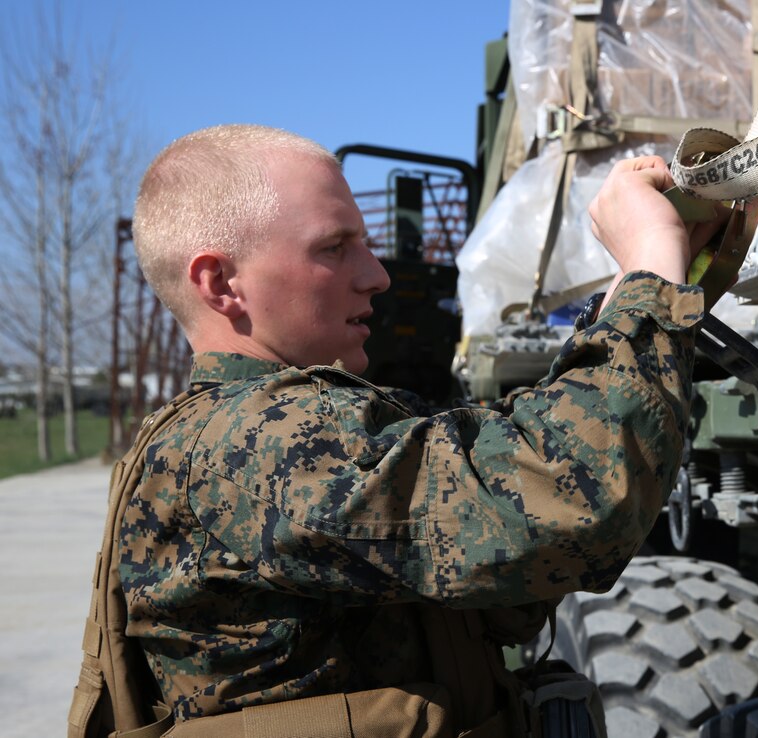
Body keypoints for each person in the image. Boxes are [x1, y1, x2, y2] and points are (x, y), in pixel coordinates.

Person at [117, 124, 714, 736]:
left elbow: (504, 541)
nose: (376, 274)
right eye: (334, 247)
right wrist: (650, 272)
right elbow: (571, 499)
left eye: (366, 245)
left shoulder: (291, 428)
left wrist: (633, 292)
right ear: (220, 284)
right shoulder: (249, 444)